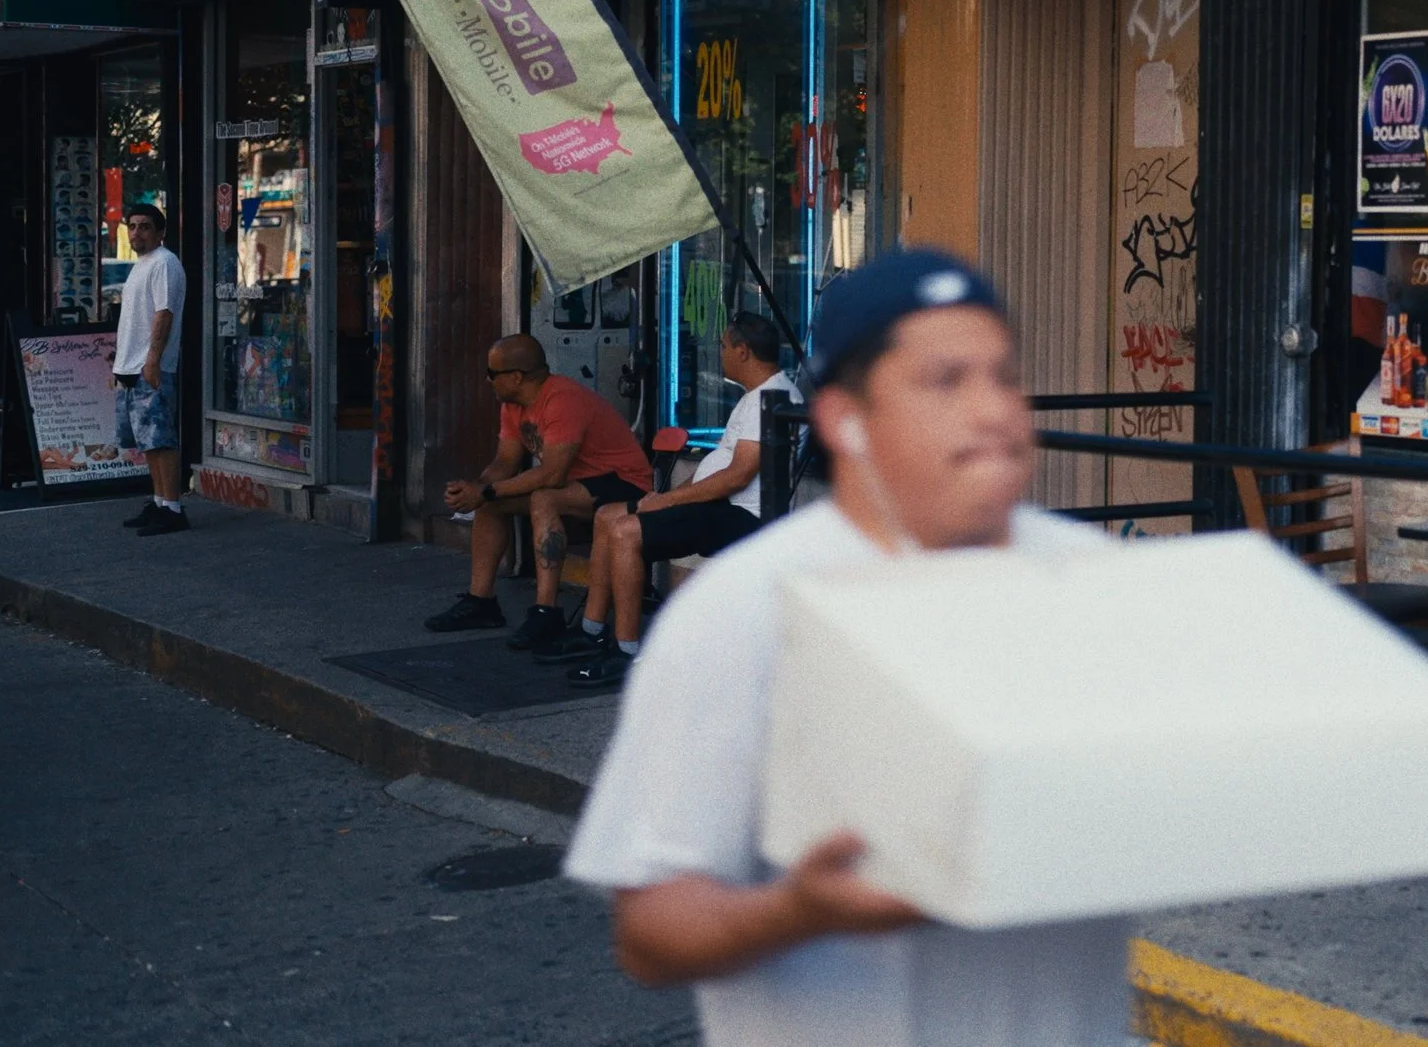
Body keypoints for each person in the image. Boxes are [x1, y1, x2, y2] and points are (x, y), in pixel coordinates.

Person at [565, 248, 1133, 1047]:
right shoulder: (739, 614)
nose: (994, 410)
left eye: (1003, 376)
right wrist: (799, 911)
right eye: (945, 381)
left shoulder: (1103, 585)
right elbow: (652, 933)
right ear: (844, 418)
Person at [536, 313, 801, 691]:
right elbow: (720, 466)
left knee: (626, 531)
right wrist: (664, 498)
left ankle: (626, 651)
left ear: (743, 351)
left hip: (744, 515)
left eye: (724, 346)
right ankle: (592, 629)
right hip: (722, 506)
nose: (720, 353)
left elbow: (738, 476)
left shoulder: (775, 397)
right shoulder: (753, 397)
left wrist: (670, 501)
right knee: (607, 516)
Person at [425, 335, 654, 649]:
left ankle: (547, 612)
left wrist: (488, 490)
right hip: (578, 485)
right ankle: (481, 602)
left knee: (543, 498)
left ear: (516, 377)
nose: (487, 380)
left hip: (624, 483)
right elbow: (506, 461)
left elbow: (552, 473)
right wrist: (476, 489)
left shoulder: (563, 400)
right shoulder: (513, 404)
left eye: (492, 374)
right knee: (492, 504)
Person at [115, 203, 189, 536]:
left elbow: (164, 314)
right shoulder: (141, 265)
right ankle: (159, 502)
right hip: (130, 366)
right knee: (147, 441)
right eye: (132, 226)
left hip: (150, 366)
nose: (137, 232)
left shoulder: (165, 263)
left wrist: (153, 359)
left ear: (160, 232)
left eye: (145, 226)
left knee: (161, 439)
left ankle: (173, 507)